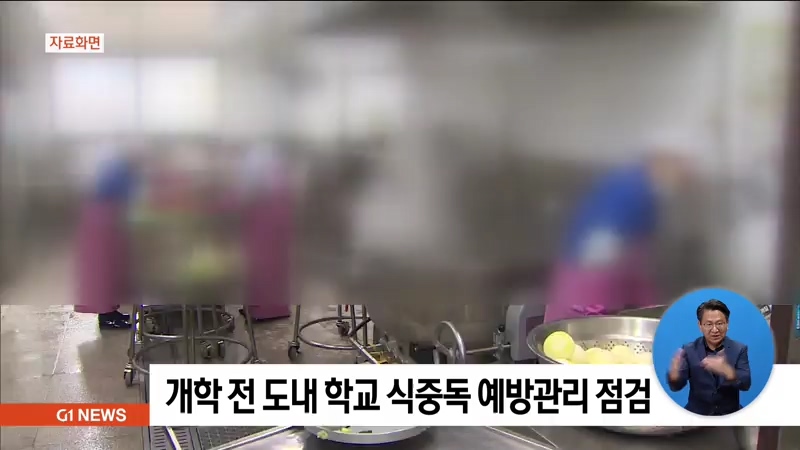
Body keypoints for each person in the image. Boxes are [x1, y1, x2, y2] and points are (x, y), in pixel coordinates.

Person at [543, 135, 695, 323]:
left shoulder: (647, 192)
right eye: (680, 168)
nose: (681, 179)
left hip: (596, 277)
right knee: (579, 327)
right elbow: (606, 252)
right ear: (661, 160)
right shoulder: (630, 188)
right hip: (590, 280)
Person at [74, 144, 141, 329]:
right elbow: (126, 197)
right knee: (103, 273)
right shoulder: (119, 172)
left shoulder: (118, 168)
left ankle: (110, 312)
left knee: (110, 272)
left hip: (104, 221)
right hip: (103, 224)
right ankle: (106, 317)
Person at [237, 143, 293, 322]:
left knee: (261, 262)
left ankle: (262, 310)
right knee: (274, 262)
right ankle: (274, 308)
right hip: (277, 215)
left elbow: (247, 190)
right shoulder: (273, 158)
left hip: (261, 215)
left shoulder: (255, 157)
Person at [667, 299, 752, 416]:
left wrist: (728, 372)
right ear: (700, 326)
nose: (715, 329)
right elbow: (676, 386)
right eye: (709, 324)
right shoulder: (689, 350)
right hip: (697, 415)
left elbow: (746, 384)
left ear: (727, 324)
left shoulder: (739, 349)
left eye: (720, 323)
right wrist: (674, 376)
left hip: (729, 415)